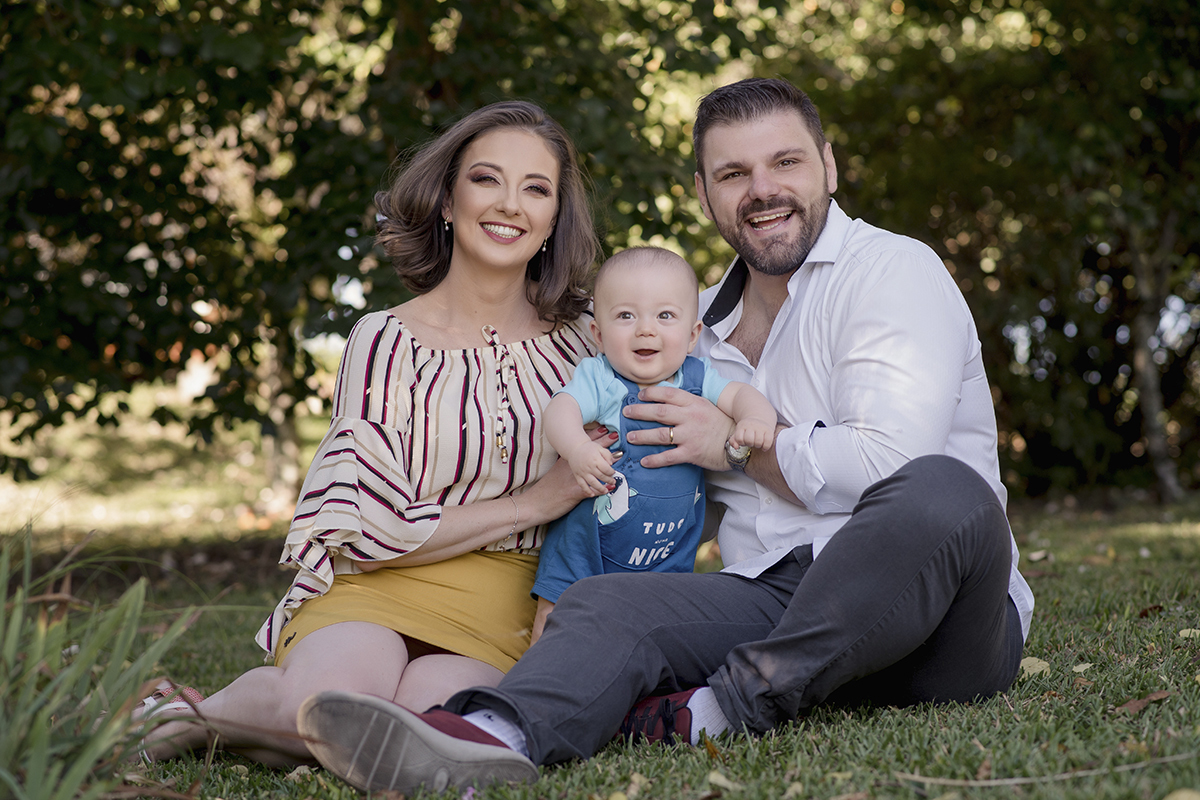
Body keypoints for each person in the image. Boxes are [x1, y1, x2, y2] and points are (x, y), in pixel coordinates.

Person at [294, 78, 1036, 795]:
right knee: (611, 601)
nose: (763, 190)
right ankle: (489, 740)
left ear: (829, 166)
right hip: (775, 596)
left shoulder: (892, 271)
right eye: (734, 173)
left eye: (786, 162)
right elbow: (663, 490)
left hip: (940, 621)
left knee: (946, 491)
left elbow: (886, 465)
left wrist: (736, 445)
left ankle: (719, 708)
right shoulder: (689, 328)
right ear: (703, 193)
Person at [136, 100, 607, 765]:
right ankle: (190, 718)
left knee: (417, 731)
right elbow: (366, 524)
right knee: (319, 711)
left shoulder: (588, 341)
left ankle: (224, 719)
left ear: (555, 217)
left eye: (536, 189)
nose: (510, 205)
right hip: (377, 582)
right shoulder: (385, 341)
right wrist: (535, 502)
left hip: (504, 601)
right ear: (447, 200)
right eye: (486, 180)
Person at [531, 246, 776, 641]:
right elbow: (561, 409)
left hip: (668, 548)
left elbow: (740, 395)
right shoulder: (602, 378)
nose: (646, 329)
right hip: (588, 547)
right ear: (598, 333)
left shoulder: (698, 377)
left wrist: (756, 420)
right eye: (626, 316)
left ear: (693, 334)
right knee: (558, 612)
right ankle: (536, 680)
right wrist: (577, 448)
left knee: (657, 627)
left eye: (665, 316)